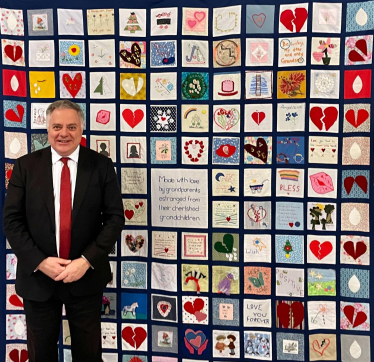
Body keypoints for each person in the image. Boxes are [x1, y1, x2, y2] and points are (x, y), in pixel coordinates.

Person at [3, 100, 124, 362]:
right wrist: (40, 262)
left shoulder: (101, 166)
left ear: (82, 129)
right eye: (57, 126)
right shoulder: (25, 167)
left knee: (89, 354)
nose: (63, 133)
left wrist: (86, 261)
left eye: (71, 126)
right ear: (47, 129)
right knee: (41, 355)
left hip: (85, 277)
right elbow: (11, 220)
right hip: (38, 279)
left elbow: (114, 218)